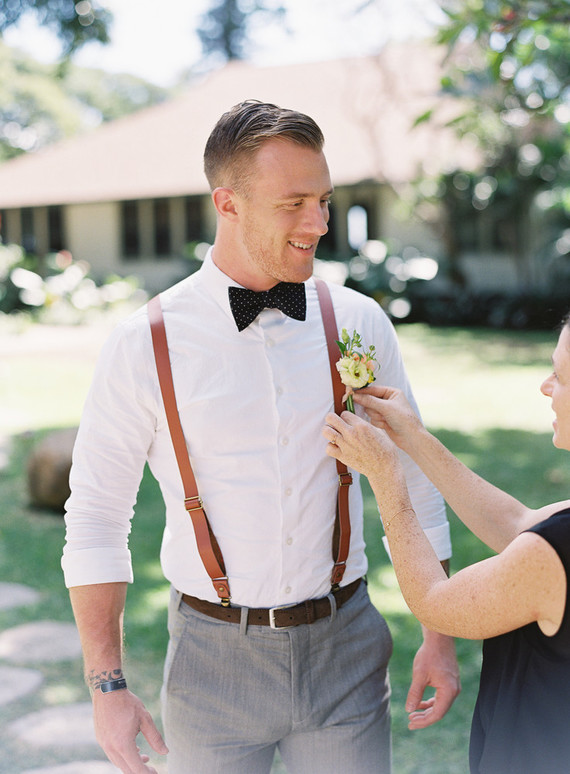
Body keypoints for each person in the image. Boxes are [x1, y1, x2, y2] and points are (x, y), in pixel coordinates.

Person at [62, 99, 459, 774]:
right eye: (294, 203)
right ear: (230, 203)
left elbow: (416, 480)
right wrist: (108, 686)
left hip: (347, 650)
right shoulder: (143, 345)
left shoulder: (358, 321)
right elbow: (98, 517)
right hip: (211, 665)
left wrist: (441, 636)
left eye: (325, 201)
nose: (319, 224)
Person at [323, 314, 570, 774]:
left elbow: (435, 602)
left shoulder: (556, 553)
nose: (544, 385)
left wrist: (387, 477)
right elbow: (519, 523)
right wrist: (414, 438)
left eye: (558, 374)